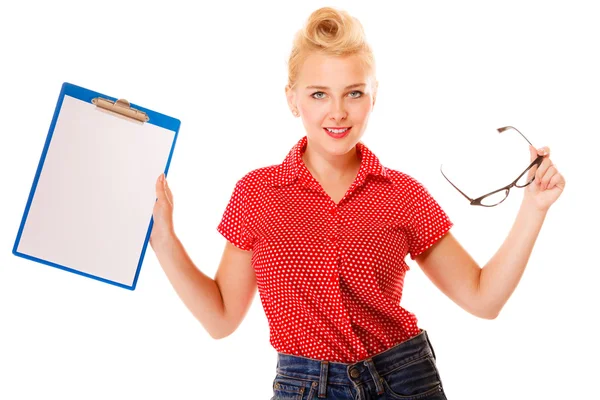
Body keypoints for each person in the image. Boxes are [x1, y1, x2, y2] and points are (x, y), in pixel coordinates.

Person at [149, 6, 565, 400]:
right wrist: (164, 240)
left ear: (373, 96)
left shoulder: (403, 195)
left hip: (404, 379)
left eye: (353, 93)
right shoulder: (256, 194)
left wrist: (534, 207)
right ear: (292, 99)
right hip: (303, 385)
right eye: (318, 94)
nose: (338, 112)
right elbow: (221, 318)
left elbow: (483, 298)